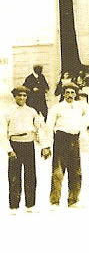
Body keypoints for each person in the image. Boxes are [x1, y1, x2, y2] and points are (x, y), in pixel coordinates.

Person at [5, 86, 49, 214]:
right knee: (14, 176)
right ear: (15, 97)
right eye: (19, 95)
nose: (22, 98)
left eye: (24, 96)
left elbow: (39, 129)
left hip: (28, 144)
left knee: (30, 174)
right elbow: (2, 132)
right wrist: (9, 149)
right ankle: (14, 206)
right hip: (15, 144)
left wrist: (44, 146)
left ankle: (30, 205)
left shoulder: (32, 112)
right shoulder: (8, 112)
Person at [46, 81, 87, 209]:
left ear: (76, 94)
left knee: (76, 171)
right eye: (67, 92)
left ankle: (73, 200)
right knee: (58, 172)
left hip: (75, 139)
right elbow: (48, 127)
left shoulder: (80, 107)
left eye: (72, 92)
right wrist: (46, 145)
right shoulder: (56, 108)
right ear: (63, 94)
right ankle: (54, 201)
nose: (70, 95)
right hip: (61, 139)